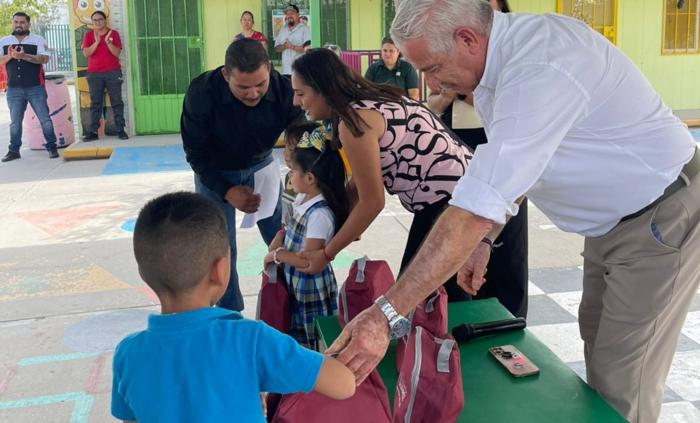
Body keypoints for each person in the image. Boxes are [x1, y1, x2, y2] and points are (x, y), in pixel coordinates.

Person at [329, 2, 700, 423]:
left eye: (431, 67)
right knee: (599, 347)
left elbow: (472, 210)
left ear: (467, 39)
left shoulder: (537, 69)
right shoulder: (499, 64)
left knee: (623, 382)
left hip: (659, 215)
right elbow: (518, 168)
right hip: (614, 222)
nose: (430, 82)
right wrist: (486, 239)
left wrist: (384, 316)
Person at [111, 191, 355, 423]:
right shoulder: (251, 340)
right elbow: (344, 384)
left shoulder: (127, 354)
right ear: (220, 270)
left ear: (143, 274)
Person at [291, 49, 472, 305]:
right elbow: (359, 183)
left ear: (323, 89)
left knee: (420, 299)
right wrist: (337, 222)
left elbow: (373, 201)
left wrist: (327, 254)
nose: (296, 102)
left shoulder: (355, 122)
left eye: (300, 93)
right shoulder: (373, 99)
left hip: (450, 203)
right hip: (464, 193)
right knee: (436, 299)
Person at [181, 38, 303, 312]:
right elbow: (196, 154)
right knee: (220, 250)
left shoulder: (285, 90)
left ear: (269, 68)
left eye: (260, 84)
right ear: (226, 75)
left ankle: (295, 301)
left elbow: (303, 131)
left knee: (284, 236)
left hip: (262, 168)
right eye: (243, 88)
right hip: (214, 172)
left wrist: (297, 154)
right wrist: (227, 190)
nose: (253, 94)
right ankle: (229, 314)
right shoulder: (202, 94)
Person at [425, 0, 527, 317]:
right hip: (457, 148)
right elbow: (434, 101)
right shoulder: (447, 49)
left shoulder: (517, 56)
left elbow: (490, 97)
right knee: (459, 244)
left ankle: (509, 322)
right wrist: (453, 89)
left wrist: (463, 90)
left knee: (505, 250)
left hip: (501, 150)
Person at [265, 123, 349, 349]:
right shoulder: (302, 198)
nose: (290, 175)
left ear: (309, 178)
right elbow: (290, 226)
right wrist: (281, 236)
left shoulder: (319, 214)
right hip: (297, 283)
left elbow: (307, 261)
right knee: (297, 330)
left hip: (310, 288)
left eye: (293, 172)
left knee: (310, 337)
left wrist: (276, 256)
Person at [0, 12, 59, 162]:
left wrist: (24, 56)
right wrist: (11, 56)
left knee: (44, 119)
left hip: (35, 87)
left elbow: (44, 59)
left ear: (28, 24)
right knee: (15, 122)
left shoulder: (38, 40)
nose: (18, 25)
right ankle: (14, 151)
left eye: (22, 22)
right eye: (16, 22)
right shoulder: (4, 41)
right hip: (14, 89)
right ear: (12, 23)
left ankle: (52, 147)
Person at [81, 11, 127, 142]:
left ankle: (120, 130)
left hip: (113, 72)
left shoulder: (114, 34)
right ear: (92, 22)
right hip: (94, 73)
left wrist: (108, 43)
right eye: (95, 20)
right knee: (95, 103)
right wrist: (96, 42)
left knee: (117, 101)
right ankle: (93, 132)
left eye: (100, 19)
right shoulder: (88, 35)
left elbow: (116, 53)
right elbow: (86, 53)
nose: (98, 22)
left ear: (105, 20)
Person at [364, 36, 420, 101]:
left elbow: (414, 94)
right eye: (385, 50)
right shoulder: (373, 68)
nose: (388, 54)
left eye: (391, 51)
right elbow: (366, 90)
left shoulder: (408, 68)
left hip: (401, 104)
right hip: (378, 104)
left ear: (398, 51)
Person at [274, 4, 311, 77]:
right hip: (285, 71)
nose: (289, 16)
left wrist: (292, 46)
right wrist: (284, 46)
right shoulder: (283, 29)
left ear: (298, 14)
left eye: (292, 13)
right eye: (287, 14)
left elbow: (307, 49)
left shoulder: (305, 29)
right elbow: (276, 48)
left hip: (300, 71)